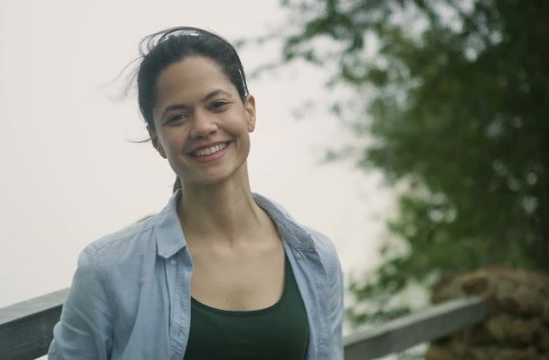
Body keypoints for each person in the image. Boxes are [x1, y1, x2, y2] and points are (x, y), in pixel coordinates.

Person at [48, 26, 344, 360]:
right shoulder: (109, 269)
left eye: (217, 104)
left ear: (249, 111)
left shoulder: (316, 257)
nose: (203, 127)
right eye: (177, 117)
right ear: (157, 139)